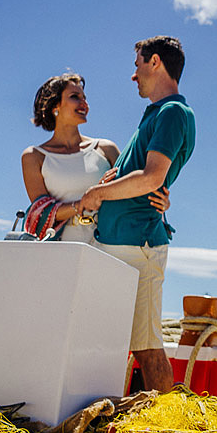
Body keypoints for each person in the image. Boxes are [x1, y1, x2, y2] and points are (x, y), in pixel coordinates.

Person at [79, 36, 196, 393]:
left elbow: (152, 177)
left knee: (147, 346)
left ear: (155, 62)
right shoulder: (157, 114)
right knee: (122, 341)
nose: (134, 76)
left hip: (140, 246)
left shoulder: (173, 112)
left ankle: (166, 425)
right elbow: (146, 176)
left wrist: (97, 193)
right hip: (121, 244)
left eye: (137, 65)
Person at [21, 73, 169, 242]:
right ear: (55, 105)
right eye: (75, 97)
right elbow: (40, 212)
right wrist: (84, 203)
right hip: (63, 248)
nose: (84, 103)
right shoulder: (34, 156)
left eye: (85, 97)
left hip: (111, 243)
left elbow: (135, 188)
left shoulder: (106, 148)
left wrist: (160, 202)